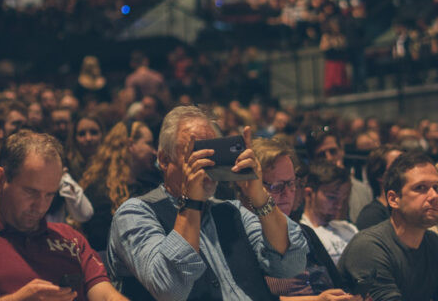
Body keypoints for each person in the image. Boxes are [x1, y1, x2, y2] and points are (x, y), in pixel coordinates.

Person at [107, 105, 309, 301]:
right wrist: (191, 202)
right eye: (195, 154)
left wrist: (259, 196)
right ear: (164, 159)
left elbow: (292, 265)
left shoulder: (232, 210)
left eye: (213, 153)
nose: (206, 164)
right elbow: (168, 288)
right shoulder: (134, 213)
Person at [0, 130, 127, 301]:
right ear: (1, 179)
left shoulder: (70, 239)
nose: (40, 206)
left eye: (50, 194)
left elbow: (105, 295)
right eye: (31, 192)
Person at [250, 138, 360, 301]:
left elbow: (339, 286)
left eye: (291, 184)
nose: (288, 194)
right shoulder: (237, 236)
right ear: (249, 185)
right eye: (277, 186)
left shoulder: (303, 231)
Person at [338, 150, 438, 301]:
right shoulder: (369, 247)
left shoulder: (432, 242)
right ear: (393, 199)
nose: (434, 196)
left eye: (436, 187)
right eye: (420, 188)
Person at [80, 121, 161, 252]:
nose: (154, 151)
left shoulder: (150, 182)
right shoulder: (99, 189)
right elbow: (100, 240)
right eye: (149, 143)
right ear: (131, 145)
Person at [306, 127, 372, 223]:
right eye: (321, 155)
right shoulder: (310, 193)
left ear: (342, 150)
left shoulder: (363, 190)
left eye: (333, 151)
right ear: (312, 160)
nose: (329, 158)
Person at [300, 160, 358, 264]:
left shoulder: (349, 229)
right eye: (332, 197)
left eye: (343, 199)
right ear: (309, 194)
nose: (339, 205)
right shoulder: (301, 235)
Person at [355, 144, 403, 230]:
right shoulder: (371, 216)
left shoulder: (409, 211)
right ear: (380, 176)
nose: (408, 171)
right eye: (399, 167)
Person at [66, 114, 104, 180]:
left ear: (102, 135)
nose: (88, 138)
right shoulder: (67, 167)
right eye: (82, 134)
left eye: (94, 132)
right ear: (74, 138)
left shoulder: (111, 165)